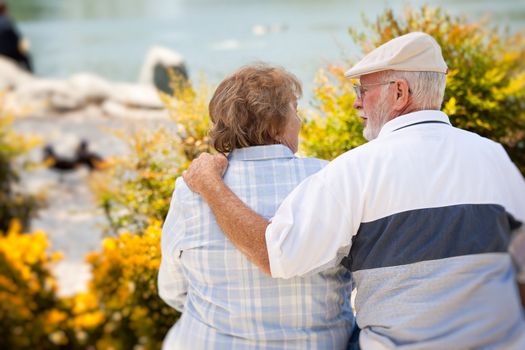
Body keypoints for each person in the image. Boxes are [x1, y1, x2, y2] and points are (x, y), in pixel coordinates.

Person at [181, 32, 525, 349]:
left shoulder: (355, 170)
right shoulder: (494, 156)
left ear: (399, 93)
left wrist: (210, 185)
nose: (357, 104)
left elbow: (276, 255)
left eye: (363, 91)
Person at [158, 64, 355, 349]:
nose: (299, 121)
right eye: (295, 110)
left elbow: (173, 289)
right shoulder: (330, 179)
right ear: (277, 123)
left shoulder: (191, 188)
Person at [0, 0, 32, 72]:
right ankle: (30, 74)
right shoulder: (7, 22)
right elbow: (18, 40)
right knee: (26, 54)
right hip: (10, 54)